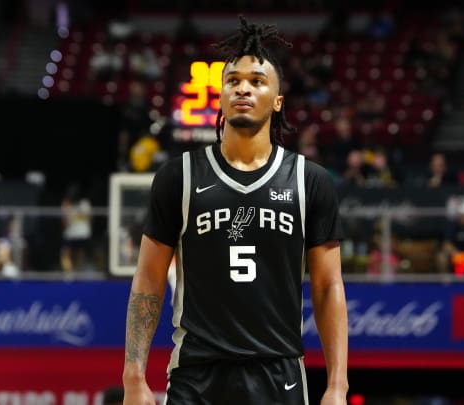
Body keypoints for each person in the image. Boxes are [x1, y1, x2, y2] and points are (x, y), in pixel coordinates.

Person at [122, 16, 348, 405]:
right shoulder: (180, 176)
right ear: (222, 97)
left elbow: (328, 288)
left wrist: (337, 385)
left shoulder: (309, 181)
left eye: (257, 81)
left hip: (278, 373)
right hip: (196, 374)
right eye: (233, 80)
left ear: (277, 102)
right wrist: (133, 376)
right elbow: (148, 281)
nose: (244, 87)